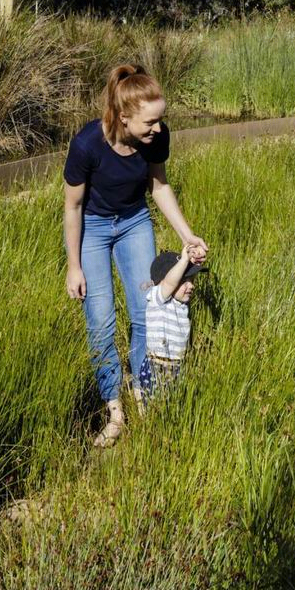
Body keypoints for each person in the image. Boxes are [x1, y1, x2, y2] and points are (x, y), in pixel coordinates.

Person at [63, 63, 207, 448]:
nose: (157, 129)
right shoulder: (86, 145)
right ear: (123, 118)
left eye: (160, 120)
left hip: (133, 222)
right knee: (100, 321)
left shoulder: (155, 139)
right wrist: (74, 265)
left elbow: (158, 186)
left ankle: (144, 392)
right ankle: (114, 408)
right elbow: (73, 207)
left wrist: (186, 233)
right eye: (150, 122)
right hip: (92, 229)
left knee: (145, 310)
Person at [137, 247, 205, 399]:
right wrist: (183, 261)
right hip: (157, 367)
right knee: (155, 410)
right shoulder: (158, 298)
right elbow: (169, 283)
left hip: (178, 367)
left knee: (174, 407)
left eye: (192, 281)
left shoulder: (181, 304)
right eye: (184, 281)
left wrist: (195, 259)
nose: (191, 286)